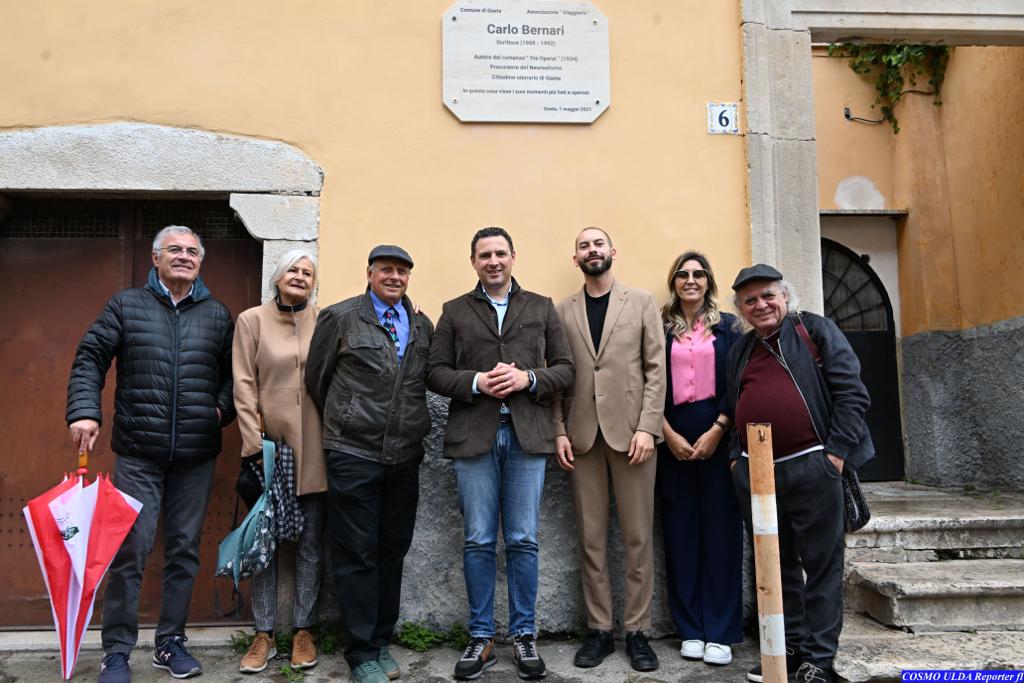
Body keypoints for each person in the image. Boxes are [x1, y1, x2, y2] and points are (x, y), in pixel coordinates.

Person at [66, 225, 235, 683]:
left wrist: (219, 411)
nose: (184, 256)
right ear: (156, 259)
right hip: (139, 453)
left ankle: (170, 643)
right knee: (131, 550)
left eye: (192, 251)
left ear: (201, 261)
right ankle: (116, 651)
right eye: (174, 250)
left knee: (183, 551)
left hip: (196, 454)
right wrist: (85, 412)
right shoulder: (126, 305)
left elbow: (231, 375)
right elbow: (90, 357)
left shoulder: (218, 314)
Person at [427, 226, 574, 681]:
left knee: (524, 539)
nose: (493, 261)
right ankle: (482, 637)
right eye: (484, 255)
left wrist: (528, 379)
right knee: (478, 539)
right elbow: (434, 372)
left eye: (500, 253)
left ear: (514, 257)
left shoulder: (541, 307)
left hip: (527, 435)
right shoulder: (454, 311)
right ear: (473, 261)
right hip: (476, 435)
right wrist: (476, 382)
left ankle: (525, 634)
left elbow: (566, 370)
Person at [726, 264, 873, 683]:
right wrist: (736, 460)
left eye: (768, 295)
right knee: (776, 565)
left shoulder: (815, 331)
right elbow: (732, 403)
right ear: (741, 308)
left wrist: (836, 456)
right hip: (757, 474)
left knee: (822, 565)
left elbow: (852, 392)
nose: (761, 305)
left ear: (785, 297)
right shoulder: (741, 348)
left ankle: (818, 660)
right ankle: (787, 648)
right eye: (750, 300)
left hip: (814, 466)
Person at [305, 245, 433, 683]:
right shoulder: (341, 318)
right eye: (386, 270)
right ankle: (360, 652)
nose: (394, 277)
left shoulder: (420, 324)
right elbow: (317, 380)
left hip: (404, 456)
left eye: (402, 272)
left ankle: (380, 640)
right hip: (353, 454)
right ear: (370, 273)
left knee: (392, 550)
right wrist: (347, 421)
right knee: (355, 553)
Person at [552, 227, 665, 672]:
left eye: (598, 243)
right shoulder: (562, 311)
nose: (592, 250)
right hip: (582, 439)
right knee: (591, 538)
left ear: (612, 252)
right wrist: (559, 430)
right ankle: (599, 630)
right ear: (575, 257)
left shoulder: (640, 303)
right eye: (583, 245)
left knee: (638, 538)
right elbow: (559, 376)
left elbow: (655, 370)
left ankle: (638, 631)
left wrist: (648, 428)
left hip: (632, 436)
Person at [232, 249, 326, 674]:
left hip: (318, 448)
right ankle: (264, 633)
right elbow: (243, 383)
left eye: (307, 272)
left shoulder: (325, 320)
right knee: (265, 543)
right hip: (272, 447)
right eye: (293, 269)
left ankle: (304, 629)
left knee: (309, 542)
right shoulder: (251, 320)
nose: (300, 276)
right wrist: (254, 444)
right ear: (277, 275)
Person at [656, 251, 744, 667]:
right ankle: (689, 627)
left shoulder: (728, 327)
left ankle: (721, 630)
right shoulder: (659, 327)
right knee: (680, 530)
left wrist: (719, 428)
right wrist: (666, 432)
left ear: (708, 281)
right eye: (683, 275)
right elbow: (646, 381)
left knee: (721, 530)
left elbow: (738, 381)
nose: (691, 280)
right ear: (673, 282)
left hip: (717, 430)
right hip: (671, 432)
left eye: (698, 274)